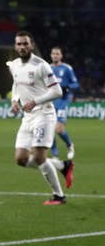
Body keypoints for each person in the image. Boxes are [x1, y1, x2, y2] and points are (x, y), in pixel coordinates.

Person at [9, 31, 73, 205]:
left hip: (44, 114)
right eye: (19, 44)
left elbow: (57, 91)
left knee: (38, 156)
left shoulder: (41, 65)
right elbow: (16, 84)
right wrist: (15, 100)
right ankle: (62, 166)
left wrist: (34, 101)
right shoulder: (14, 65)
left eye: (25, 44)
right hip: (27, 117)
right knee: (21, 159)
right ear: (15, 46)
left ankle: (59, 196)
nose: (22, 47)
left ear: (31, 45)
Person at [49, 46, 79, 160]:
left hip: (62, 101)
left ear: (61, 56)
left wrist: (67, 87)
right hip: (50, 102)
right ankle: (55, 154)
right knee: (50, 130)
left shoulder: (67, 68)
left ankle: (70, 145)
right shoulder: (47, 68)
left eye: (57, 54)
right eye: (53, 53)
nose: (55, 55)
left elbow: (76, 84)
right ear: (51, 55)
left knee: (59, 129)